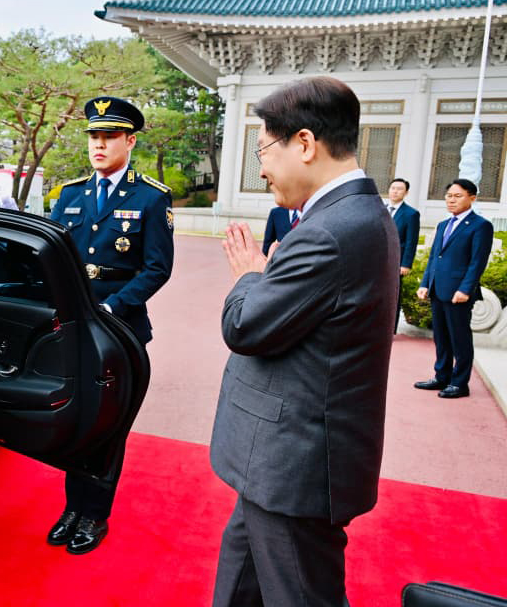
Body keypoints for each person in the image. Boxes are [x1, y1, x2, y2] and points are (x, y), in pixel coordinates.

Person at [211, 76, 398, 607]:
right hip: (277, 458)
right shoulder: (358, 215)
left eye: (264, 150)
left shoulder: (327, 231)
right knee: (241, 584)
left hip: (293, 461)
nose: (263, 167)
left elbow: (244, 327)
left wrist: (250, 276)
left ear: (306, 144)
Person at [47, 96, 174, 554]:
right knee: (74, 421)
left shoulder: (151, 197)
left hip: (118, 330)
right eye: (94, 137)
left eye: (109, 137)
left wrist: (114, 307)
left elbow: (158, 268)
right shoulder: (70, 194)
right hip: (74, 329)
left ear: (130, 141)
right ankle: (71, 509)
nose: (98, 145)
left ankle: (94, 515)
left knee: (108, 425)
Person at [414, 178, 494, 399]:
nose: (451, 200)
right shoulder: (443, 225)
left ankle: (460, 383)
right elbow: (434, 258)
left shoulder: (481, 226)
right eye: (449, 195)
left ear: (472, 198)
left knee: (460, 339)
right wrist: (425, 284)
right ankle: (442, 377)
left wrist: (466, 289)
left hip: (459, 292)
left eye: (457, 196)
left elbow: (477, 262)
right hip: (438, 289)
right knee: (440, 337)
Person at [388, 177, 420, 333]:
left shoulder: (411, 214)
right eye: (393, 188)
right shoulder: (382, 208)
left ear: (406, 193)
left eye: (399, 189)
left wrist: (406, 264)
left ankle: (390, 329)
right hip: (378, 260)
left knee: (393, 295)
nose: (395, 191)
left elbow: (411, 241)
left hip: (396, 261)